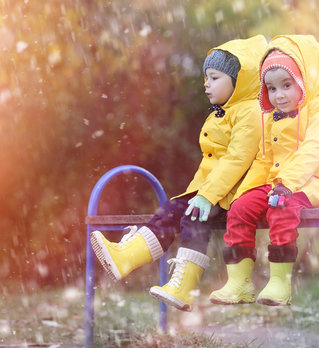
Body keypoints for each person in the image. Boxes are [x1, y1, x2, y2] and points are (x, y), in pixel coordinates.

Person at [90, 35, 267, 312]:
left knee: (194, 217)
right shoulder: (223, 112)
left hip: (235, 191)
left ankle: (184, 287)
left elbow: (237, 160)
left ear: (239, 80)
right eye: (205, 77)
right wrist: (200, 194)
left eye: (215, 77)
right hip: (212, 189)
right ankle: (127, 257)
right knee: (172, 209)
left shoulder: (249, 113)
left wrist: (207, 197)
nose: (206, 83)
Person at [208, 35, 319, 306]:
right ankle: (239, 282)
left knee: (280, 208)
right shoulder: (271, 118)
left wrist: (286, 184)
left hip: (316, 183)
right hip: (279, 184)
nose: (278, 95)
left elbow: (314, 151)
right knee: (241, 208)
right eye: (271, 88)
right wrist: (244, 193)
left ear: (305, 81)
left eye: (286, 85)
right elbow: (263, 161)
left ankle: (279, 282)